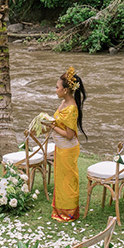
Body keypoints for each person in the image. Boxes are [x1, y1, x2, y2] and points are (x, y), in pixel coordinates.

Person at [46, 66, 87, 222]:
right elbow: (59, 123)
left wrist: (52, 126)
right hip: (60, 147)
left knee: (68, 180)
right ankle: (59, 209)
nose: (55, 90)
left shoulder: (71, 109)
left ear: (66, 90)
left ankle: (68, 212)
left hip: (68, 149)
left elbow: (69, 135)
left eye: (57, 87)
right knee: (60, 179)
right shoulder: (63, 102)